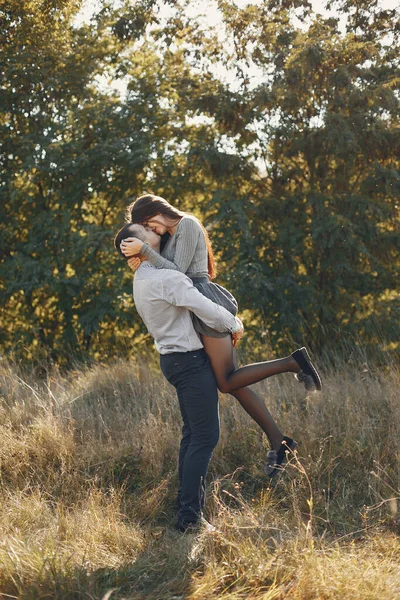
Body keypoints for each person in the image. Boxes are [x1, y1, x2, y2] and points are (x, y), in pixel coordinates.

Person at [119, 195, 322, 475]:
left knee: (227, 382)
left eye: (147, 225)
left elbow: (179, 274)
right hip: (194, 307)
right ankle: (279, 442)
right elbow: (166, 273)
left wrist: (147, 251)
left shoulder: (187, 224)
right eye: (145, 229)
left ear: (156, 212)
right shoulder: (169, 236)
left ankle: (292, 363)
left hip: (204, 300)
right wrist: (143, 259)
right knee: (232, 383)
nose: (151, 231)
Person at [115, 222, 244, 532]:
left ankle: (186, 510)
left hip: (172, 360)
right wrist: (234, 323)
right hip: (190, 362)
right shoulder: (167, 279)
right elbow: (206, 307)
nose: (153, 230)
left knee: (192, 435)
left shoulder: (142, 277)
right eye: (145, 230)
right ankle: (190, 519)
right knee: (205, 437)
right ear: (137, 243)